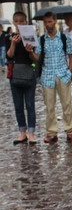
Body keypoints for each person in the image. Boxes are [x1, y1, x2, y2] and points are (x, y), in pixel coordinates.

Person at [37, 11, 72, 143]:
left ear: (55, 21)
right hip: (47, 75)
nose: (47, 24)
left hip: (62, 74)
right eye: (45, 22)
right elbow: (37, 58)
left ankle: (70, 130)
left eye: (49, 21)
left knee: (66, 104)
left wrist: (69, 72)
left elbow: (71, 56)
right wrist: (30, 52)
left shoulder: (64, 38)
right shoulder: (42, 39)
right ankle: (51, 131)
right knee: (49, 106)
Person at [6, 11, 38, 145]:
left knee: (30, 105)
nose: (19, 24)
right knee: (18, 105)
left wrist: (29, 51)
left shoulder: (31, 37)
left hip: (28, 74)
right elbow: (9, 56)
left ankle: (31, 133)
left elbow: (35, 59)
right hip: (15, 75)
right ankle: (22, 132)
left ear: (26, 22)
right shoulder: (10, 38)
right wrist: (13, 44)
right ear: (14, 23)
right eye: (16, 21)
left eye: (21, 21)